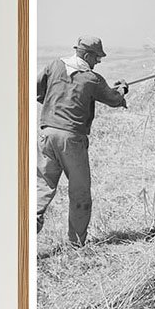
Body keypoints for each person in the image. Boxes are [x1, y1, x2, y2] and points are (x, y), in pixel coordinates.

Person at [36, 36, 129, 244]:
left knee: (42, 186)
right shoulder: (91, 79)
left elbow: (35, 89)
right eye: (97, 57)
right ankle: (77, 243)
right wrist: (122, 88)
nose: (99, 62)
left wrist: (52, 97)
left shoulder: (54, 66)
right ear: (86, 55)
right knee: (80, 192)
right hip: (71, 139)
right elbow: (113, 99)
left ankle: (26, 226)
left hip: (47, 134)